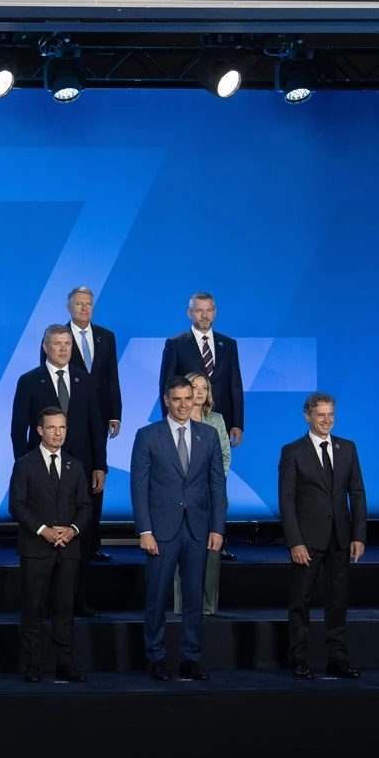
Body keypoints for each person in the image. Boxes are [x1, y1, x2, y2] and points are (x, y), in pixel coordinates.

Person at [130, 378, 227, 682]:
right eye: (178, 399)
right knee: (157, 597)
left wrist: (218, 527)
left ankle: (190, 657)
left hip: (198, 529)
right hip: (161, 531)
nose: (184, 405)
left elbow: (217, 486)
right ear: (166, 400)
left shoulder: (208, 435)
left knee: (194, 599)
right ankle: (156, 657)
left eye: (189, 398)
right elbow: (139, 486)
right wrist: (144, 529)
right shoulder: (148, 436)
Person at [7, 326, 108, 606]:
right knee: (44, 536)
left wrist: (100, 465)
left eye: (67, 343)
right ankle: (48, 602)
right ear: (45, 346)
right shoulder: (29, 381)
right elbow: (18, 429)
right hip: (41, 472)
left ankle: (79, 599)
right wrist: (23, 467)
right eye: (57, 343)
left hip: (82, 470)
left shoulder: (85, 380)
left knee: (82, 536)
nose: (63, 349)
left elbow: (95, 426)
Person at [278, 393, 367, 680]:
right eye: (321, 415)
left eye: (331, 415)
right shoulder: (292, 451)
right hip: (307, 541)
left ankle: (337, 659)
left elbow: (358, 494)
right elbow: (286, 500)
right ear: (308, 416)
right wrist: (295, 541)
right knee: (300, 601)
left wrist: (358, 535)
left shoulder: (348, 448)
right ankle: (299, 658)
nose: (327, 420)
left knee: (338, 601)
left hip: (341, 538)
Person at [9, 407, 93, 683]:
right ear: (40, 430)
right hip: (36, 548)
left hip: (68, 549)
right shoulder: (24, 464)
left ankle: (64, 663)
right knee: (33, 608)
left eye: (63, 428)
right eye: (53, 428)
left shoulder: (76, 465)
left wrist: (72, 530)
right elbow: (17, 506)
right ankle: (32, 664)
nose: (58, 433)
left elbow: (84, 506)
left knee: (64, 609)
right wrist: (43, 530)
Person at [65, 285, 121, 565]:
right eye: (79, 304)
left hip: (98, 421)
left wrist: (115, 414)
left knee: (96, 479)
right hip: (66, 426)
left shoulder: (106, 337)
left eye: (88, 304)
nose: (84, 308)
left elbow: (112, 377)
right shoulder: (57, 337)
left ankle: (92, 541)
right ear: (69, 307)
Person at [173, 372, 232, 617]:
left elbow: (224, 456)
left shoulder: (216, 420)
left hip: (209, 496)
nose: (199, 392)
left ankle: (208, 606)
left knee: (211, 553)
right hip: (179, 497)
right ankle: (180, 605)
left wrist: (210, 483)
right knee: (179, 553)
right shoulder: (173, 419)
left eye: (203, 388)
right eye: (194, 387)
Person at [160, 292, 245, 446]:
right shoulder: (176, 344)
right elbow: (167, 386)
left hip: (221, 421)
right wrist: (169, 423)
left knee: (218, 465)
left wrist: (237, 423)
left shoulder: (228, 345)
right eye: (199, 311)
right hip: (186, 419)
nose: (205, 315)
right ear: (189, 313)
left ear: (215, 312)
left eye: (209, 310)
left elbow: (235, 386)